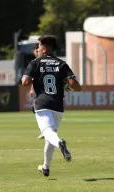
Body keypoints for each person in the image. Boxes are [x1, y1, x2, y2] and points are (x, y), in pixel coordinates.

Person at [21, 35, 82, 177]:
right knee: (50, 134)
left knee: (49, 133)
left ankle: (60, 142)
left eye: (39, 46)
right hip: (58, 105)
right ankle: (45, 167)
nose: (38, 48)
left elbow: (24, 82)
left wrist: (31, 78)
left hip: (42, 103)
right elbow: (76, 86)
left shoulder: (35, 63)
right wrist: (66, 85)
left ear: (45, 48)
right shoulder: (62, 64)